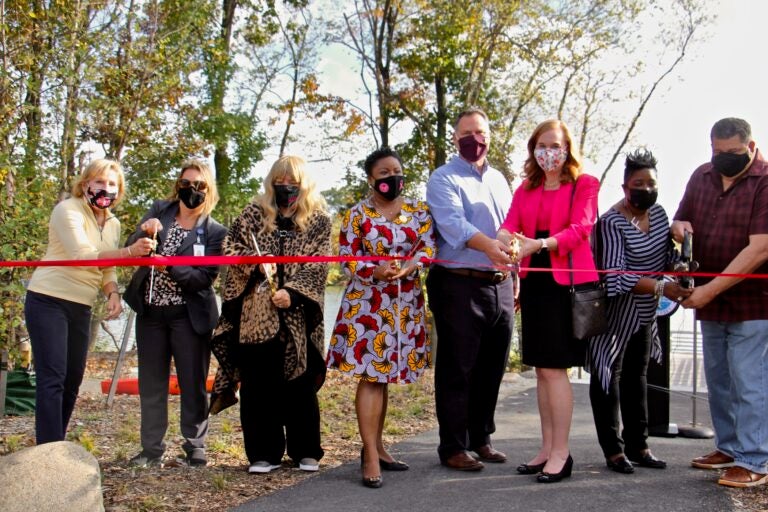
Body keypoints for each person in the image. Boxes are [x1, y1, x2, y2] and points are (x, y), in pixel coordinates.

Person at [210, 155, 331, 475]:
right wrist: (252, 266)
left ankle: (306, 450)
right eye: (279, 181)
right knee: (258, 385)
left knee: (300, 384)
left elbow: (319, 263)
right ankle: (264, 453)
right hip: (255, 314)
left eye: (293, 182)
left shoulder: (319, 219)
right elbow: (230, 249)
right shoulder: (252, 214)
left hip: (298, 316)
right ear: (270, 182)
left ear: (304, 184)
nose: (286, 187)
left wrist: (292, 293)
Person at [326, 147, 436, 488]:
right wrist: (376, 270)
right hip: (368, 305)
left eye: (396, 171)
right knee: (371, 377)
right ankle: (369, 455)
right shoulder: (356, 215)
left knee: (384, 377)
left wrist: (410, 265)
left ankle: (379, 446)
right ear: (372, 179)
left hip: (405, 304)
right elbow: (347, 257)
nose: (392, 178)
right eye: (384, 173)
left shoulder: (419, 212)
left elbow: (428, 248)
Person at [24, 159, 155, 444]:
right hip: (48, 299)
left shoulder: (113, 223)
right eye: (100, 182)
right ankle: (48, 447)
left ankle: (57, 441)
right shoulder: (67, 210)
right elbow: (82, 253)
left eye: (112, 184)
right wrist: (131, 251)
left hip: (81, 305)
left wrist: (112, 292)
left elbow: (106, 265)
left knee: (73, 380)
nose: (105, 188)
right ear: (86, 184)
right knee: (53, 377)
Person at [498, 119, 598, 483]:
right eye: (541, 145)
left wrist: (538, 244)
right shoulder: (526, 187)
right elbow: (510, 223)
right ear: (533, 149)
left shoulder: (585, 184)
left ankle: (562, 452)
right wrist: (502, 239)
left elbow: (580, 229)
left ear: (567, 148)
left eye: (555, 145)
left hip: (565, 285)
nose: (548, 152)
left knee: (556, 370)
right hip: (535, 283)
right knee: (541, 371)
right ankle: (546, 447)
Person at [673, 117, 768, 488]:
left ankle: (755, 459)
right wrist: (679, 227)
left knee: (750, 381)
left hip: (753, 303)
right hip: (709, 303)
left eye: (731, 153)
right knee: (720, 381)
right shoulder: (702, 175)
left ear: (750, 145)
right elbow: (681, 218)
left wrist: (709, 290)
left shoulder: (764, 181)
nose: (723, 159)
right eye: (717, 152)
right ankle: (728, 448)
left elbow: (760, 247)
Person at [586, 149, 691, 474]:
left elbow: (664, 257)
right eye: (638, 183)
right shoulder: (610, 222)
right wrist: (662, 288)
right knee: (608, 375)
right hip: (614, 313)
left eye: (651, 183)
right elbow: (615, 275)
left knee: (637, 377)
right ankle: (613, 450)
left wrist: (679, 264)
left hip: (645, 313)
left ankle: (639, 444)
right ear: (624, 187)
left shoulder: (659, 215)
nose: (645, 188)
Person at [425, 108, 515, 472]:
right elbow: (453, 225)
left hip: (501, 285)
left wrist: (515, 277)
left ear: (489, 137)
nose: (473, 139)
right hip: (459, 284)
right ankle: (453, 446)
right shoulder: (442, 178)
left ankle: (482, 438)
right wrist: (490, 246)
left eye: (479, 133)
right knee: (457, 368)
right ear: (454, 138)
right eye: (466, 133)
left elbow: (511, 227)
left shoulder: (501, 180)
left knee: (492, 367)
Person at [123, 159, 226, 468]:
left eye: (199, 186)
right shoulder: (159, 211)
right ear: (178, 185)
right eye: (186, 184)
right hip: (151, 313)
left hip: (188, 316)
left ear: (208, 190)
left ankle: (195, 447)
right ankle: (151, 450)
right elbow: (130, 246)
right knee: (151, 384)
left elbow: (203, 280)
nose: (191, 190)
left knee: (192, 383)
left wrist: (168, 264)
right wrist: (143, 235)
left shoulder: (215, 232)